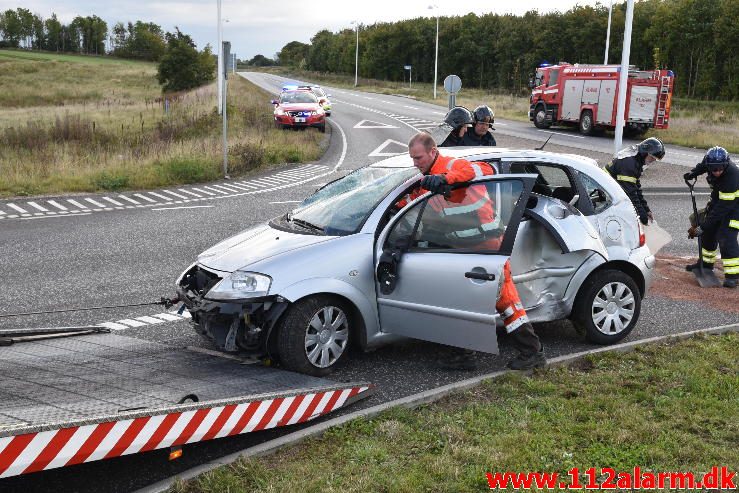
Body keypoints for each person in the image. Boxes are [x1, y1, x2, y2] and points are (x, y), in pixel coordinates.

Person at [403, 132, 546, 370]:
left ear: (432, 151)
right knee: (468, 302)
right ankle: (466, 356)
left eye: (418, 158)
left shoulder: (452, 166)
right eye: (412, 159)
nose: (415, 163)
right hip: (466, 249)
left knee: (502, 302)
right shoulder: (427, 181)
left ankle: (527, 353)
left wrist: (445, 179)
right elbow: (410, 202)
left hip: (486, 246)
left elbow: (480, 171)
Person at [683, 146, 739, 288]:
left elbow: (723, 207)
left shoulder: (733, 175)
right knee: (708, 234)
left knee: (726, 236)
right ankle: (705, 265)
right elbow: (702, 166)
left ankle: (733, 275)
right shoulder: (711, 163)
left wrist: (703, 226)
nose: (717, 172)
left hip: (734, 206)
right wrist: (693, 173)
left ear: (725, 165)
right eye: (714, 169)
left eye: (720, 169)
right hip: (719, 199)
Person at [606, 137, 665, 225]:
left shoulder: (636, 160)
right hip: (605, 192)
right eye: (652, 158)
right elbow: (631, 193)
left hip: (612, 190)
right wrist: (641, 214)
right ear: (645, 153)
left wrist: (646, 209)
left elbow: (636, 187)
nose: (652, 161)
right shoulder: (629, 164)